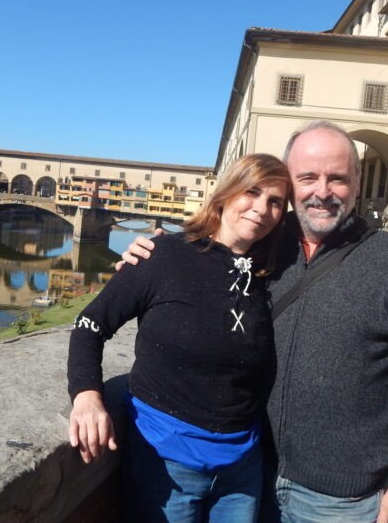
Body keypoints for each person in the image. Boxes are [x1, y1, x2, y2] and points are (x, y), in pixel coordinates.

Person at [122, 120, 388, 523]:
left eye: (338, 178)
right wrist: (147, 254)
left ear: (358, 182)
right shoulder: (260, 243)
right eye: (308, 177)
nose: (323, 191)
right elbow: (196, 255)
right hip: (248, 475)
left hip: (340, 499)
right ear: (288, 182)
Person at [67, 153, 290, 522]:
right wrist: (87, 395)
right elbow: (91, 324)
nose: (261, 208)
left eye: (275, 202)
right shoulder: (164, 254)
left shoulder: (270, 273)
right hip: (165, 464)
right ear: (225, 193)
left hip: (242, 469)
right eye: (251, 192)